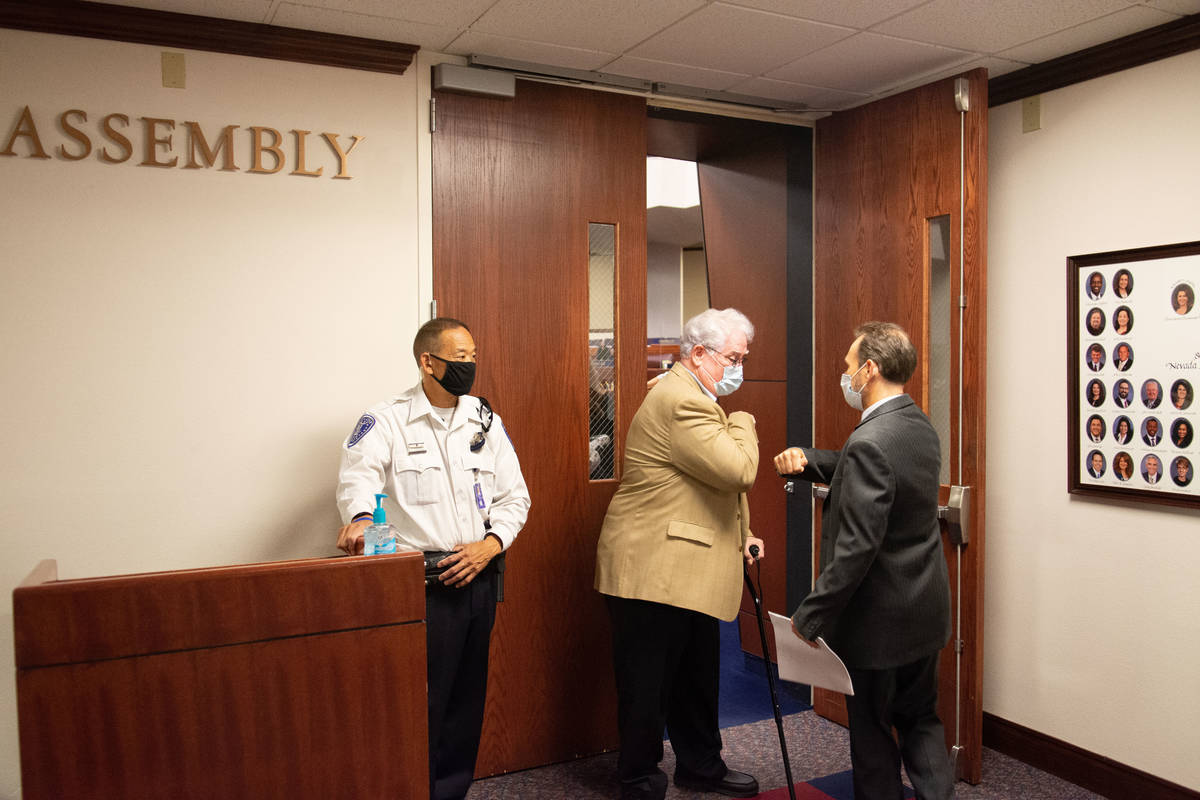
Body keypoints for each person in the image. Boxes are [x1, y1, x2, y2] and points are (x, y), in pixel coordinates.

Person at [335, 317, 531, 800]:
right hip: (421, 583)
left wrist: (491, 545)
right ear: (428, 361)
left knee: (467, 702)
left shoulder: (484, 420)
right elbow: (358, 479)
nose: (469, 365)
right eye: (459, 358)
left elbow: (515, 497)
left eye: (473, 356)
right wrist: (360, 516)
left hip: (479, 574)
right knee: (420, 704)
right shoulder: (387, 420)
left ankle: (450, 794)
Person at [773, 322, 954, 800]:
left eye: (849, 366)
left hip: (879, 622)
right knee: (921, 721)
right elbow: (875, 467)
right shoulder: (918, 425)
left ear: (869, 370)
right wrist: (811, 459)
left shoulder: (872, 439)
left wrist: (810, 616)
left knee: (873, 733)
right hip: (924, 610)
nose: (846, 374)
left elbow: (856, 549)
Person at [595, 308, 763, 800]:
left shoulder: (692, 394)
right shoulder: (682, 402)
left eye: (742, 358)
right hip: (651, 565)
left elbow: (703, 486)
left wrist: (743, 533)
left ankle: (701, 765)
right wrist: (744, 420)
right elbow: (737, 470)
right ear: (697, 354)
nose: (738, 370)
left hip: (685, 563)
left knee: (695, 675)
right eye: (732, 358)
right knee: (648, 682)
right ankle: (638, 778)